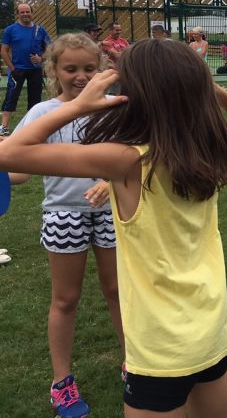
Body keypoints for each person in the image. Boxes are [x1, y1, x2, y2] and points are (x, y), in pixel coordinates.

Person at [0, 39, 227, 416]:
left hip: (160, 346)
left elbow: (8, 153)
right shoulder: (210, 145)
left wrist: (76, 106)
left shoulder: (126, 160)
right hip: (213, 331)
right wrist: (206, 85)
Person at [5, 33, 123, 417]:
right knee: (66, 299)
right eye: (71, 68)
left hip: (110, 215)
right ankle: (62, 382)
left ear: (102, 69)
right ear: (53, 69)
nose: (81, 76)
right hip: (64, 215)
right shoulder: (42, 114)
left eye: (90, 68)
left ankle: (135, 364)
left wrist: (110, 181)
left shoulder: (113, 109)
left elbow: (130, 160)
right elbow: (21, 170)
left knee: (119, 291)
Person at [1, 2, 51, 136]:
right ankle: (4, 126)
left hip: (35, 70)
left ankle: (31, 126)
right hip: (18, 70)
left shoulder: (40, 29)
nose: (25, 14)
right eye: (22, 12)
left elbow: (50, 49)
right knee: (11, 97)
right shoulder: (10, 30)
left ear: (32, 12)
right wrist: (12, 68)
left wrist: (41, 58)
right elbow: (4, 51)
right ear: (18, 14)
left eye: (27, 11)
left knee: (35, 98)